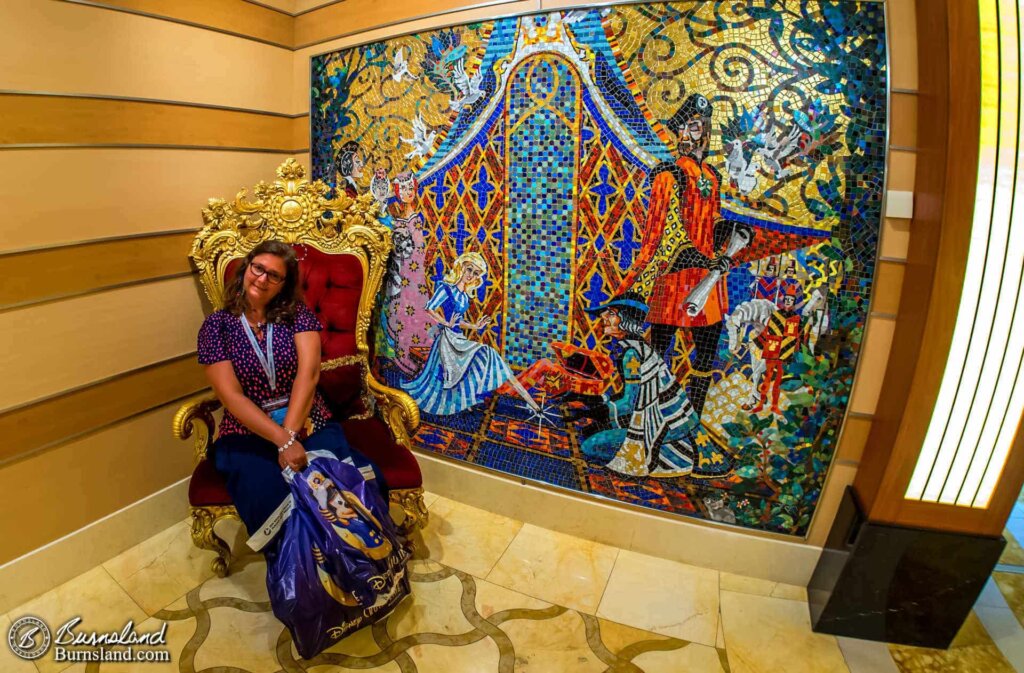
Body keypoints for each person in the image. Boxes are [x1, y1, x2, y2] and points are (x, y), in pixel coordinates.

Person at [197, 240, 388, 552]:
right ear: (247, 268)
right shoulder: (215, 326)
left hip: (307, 417)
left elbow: (309, 375)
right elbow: (231, 396)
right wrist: (283, 441)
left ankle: (364, 562)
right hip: (247, 429)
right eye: (258, 268)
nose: (262, 279)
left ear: (283, 284)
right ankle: (306, 582)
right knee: (271, 498)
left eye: (274, 275)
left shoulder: (298, 314)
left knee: (354, 484)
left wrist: (289, 436)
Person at [616, 93, 734, 420]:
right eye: (693, 127)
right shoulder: (670, 175)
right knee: (658, 352)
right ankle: (647, 416)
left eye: (703, 128)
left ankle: (691, 422)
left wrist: (732, 236)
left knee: (706, 355)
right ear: (680, 132)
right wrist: (699, 258)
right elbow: (664, 232)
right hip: (674, 277)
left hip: (707, 281)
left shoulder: (711, 176)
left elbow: (713, 220)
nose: (700, 134)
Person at [570, 292, 723, 478]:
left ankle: (672, 455)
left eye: (611, 313)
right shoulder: (640, 347)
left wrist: (593, 410)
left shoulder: (631, 354)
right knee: (593, 431)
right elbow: (637, 396)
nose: (603, 317)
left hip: (667, 427)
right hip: (676, 422)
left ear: (625, 320)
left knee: (590, 445)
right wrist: (592, 402)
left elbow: (631, 404)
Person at [402, 252, 539, 415]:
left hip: (458, 338)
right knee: (482, 356)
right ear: (461, 267)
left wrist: (474, 326)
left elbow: (458, 321)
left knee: (490, 354)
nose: (471, 275)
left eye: (475, 273)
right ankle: (527, 401)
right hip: (447, 340)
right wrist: (446, 323)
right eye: (469, 269)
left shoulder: (465, 297)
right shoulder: (446, 289)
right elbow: (429, 308)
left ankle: (527, 400)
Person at [383, 172, 433, 376]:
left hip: (411, 274)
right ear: (397, 192)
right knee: (397, 308)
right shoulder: (398, 218)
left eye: (410, 188)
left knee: (411, 308)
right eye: (403, 189)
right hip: (398, 271)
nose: (408, 192)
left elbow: (417, 249)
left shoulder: (414, 219)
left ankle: (411, 357)